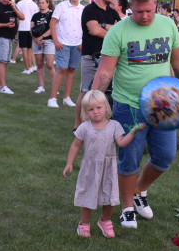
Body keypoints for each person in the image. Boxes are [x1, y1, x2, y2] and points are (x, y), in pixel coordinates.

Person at [90, 0, 179, 229]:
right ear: (130, 6)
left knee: (165, 157)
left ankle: (139, 190)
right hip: (129, 105)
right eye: (139, 11)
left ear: (156, 5)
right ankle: (127, 208)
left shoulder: (168, 25)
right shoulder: (118, 32)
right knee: (129, 160)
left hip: (164, 105)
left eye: (149, 11)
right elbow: (105, 72)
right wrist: (93, 103)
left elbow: (178, 61)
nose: (144, 16)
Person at [62, 90, 144, 238]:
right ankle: (84, 223)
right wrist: (69, 163)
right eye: (91, 109)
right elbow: (75, 145)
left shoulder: (114, 125)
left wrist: (133, 131)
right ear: (86, 111)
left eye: (98, 108)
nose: (95, 112)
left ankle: (104, 221)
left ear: (106, 107)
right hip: (90, 168)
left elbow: (122, 142)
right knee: (87, 196)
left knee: (111, 198)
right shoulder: (85, 127)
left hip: (109, 168)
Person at [77, 0, 120, 126]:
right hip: (91, 55)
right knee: (86, 92)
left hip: (110, 58)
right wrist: (110, 29)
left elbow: (119, 33)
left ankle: (101, 124)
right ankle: (78, 126)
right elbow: (94, 31)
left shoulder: (113, 12)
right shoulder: (89, 10)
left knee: (106, 93)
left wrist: (103, 26)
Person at [48, 0, 84, 108]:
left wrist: (82, 42)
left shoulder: (83, 9)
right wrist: (56, 40)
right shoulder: (62, 6)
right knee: (61, 69)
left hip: (77, 43)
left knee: (71, 70)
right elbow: (52, 23)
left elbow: (85, 27)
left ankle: (66, 97)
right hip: (63, 42)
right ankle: (52, 98)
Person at [31, 0, 55, 94]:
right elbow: (31, 29)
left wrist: (42, 37)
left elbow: (52, 29)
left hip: (49, 41)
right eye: (40, 3)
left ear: (47, 3)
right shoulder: (35, 16)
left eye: (43, 3)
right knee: (39, 64)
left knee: (50, 64)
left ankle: (54, 86)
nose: (41, 5)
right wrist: (36, 39)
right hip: (37, 42)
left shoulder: (52, 14)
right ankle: (41, 86)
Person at [15, 0, 39, 74]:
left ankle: (27, 68)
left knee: (24, 49)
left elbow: (18, 17)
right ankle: (32, 66)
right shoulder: (35, 5)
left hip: (23, 28)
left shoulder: (20, 4)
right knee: (30, 49)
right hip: (31, 29)